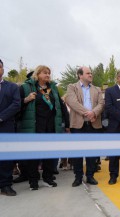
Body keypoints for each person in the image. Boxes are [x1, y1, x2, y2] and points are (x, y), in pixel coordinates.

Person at [19, 65, 69, 190]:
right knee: (34, 156)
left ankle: (47, 178)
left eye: (49, 73)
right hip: (35, 127)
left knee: (49, 154)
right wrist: (26, 99)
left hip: (51, 126)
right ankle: (33, 181)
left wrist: (67, 124)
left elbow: (61, 107)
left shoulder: (53, 89)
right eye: (45, 73)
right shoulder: (27, 87)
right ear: (37, 74)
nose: (47, 75)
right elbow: (17, 105)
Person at [66, 66, 104, 187]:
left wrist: (94, 113)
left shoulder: (97, 89)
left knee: (92, 152)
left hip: (93, 124)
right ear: (80, 75)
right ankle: (78, 177)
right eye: (88, 73)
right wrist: (88, 113)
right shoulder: (72, 87)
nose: (91, 75)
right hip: (78, 124)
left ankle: (90, 176)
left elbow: (101, 103)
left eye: (91, 73)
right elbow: (72, 102)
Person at [0, 59, 21, 196]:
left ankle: (5, 185)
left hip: (5, 125)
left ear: (2, 69)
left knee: (6, 158)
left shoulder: (12, 87)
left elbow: (16, 104)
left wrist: (1, 117)